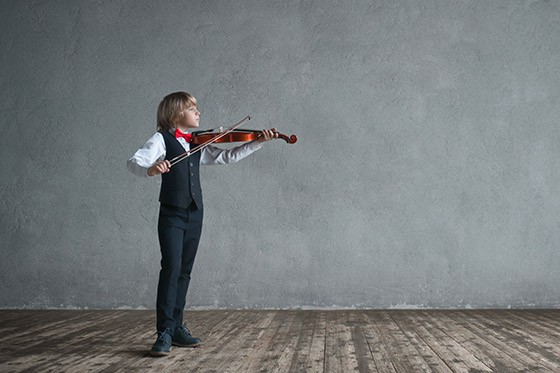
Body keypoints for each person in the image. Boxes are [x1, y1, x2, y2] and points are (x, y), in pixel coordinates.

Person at [127, 91, 277, 357]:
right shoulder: (162, 140)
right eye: (192, 108)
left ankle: (176, 328)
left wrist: (256, 142)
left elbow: (226, 157)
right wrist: (151, 169)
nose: (198, 112)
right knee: (171, 268)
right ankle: (163, 331)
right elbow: (135, 162)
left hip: (195, 214)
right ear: (175, 115)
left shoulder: (198, 144)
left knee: (184, 271)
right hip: (172, 214)